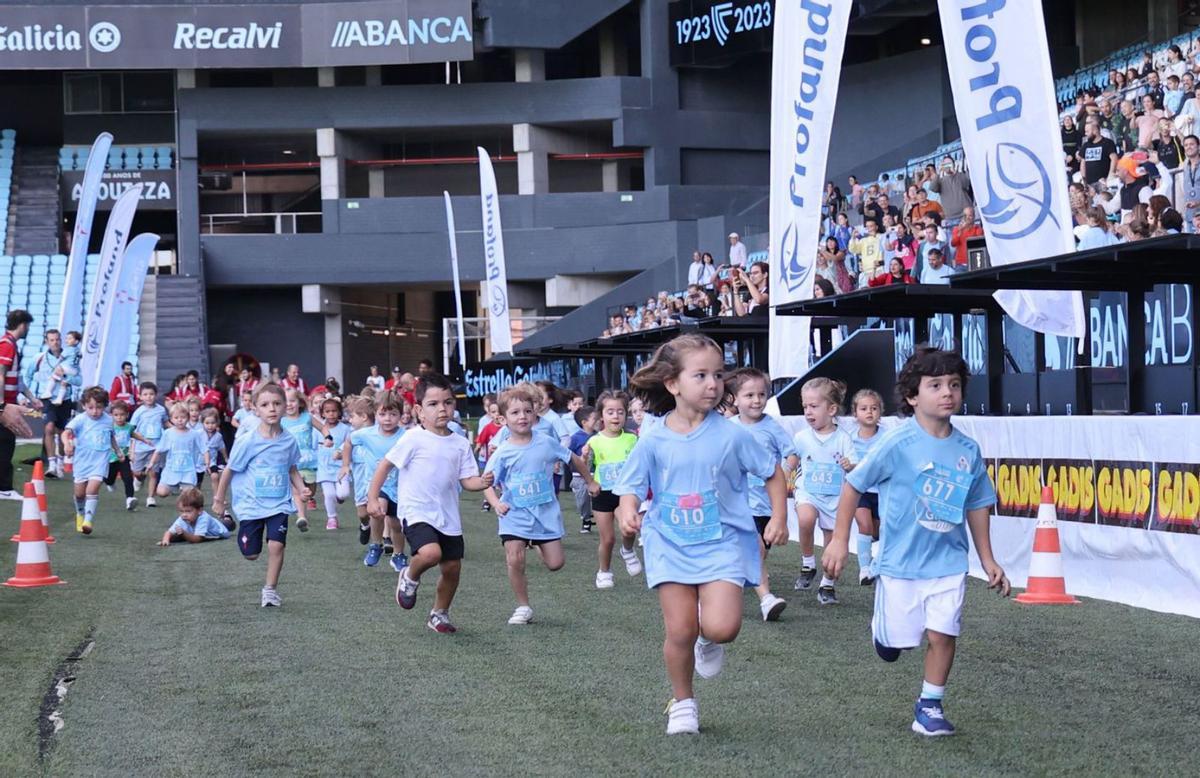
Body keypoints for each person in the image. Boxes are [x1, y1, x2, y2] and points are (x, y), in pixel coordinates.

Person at [823, 348, 1010, 737]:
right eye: (936, 385)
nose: (947, 393)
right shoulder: (896, 444)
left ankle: (930, 705)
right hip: (901, 565)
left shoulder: (968, 451)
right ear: (912, 397)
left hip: (948, 563)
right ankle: (884, 633)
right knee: (897, 644)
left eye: (954, 385)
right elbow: (854, 485)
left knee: (944, 634)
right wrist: (840, 541)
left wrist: (988, 559)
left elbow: (977, 504)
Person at [612, 334, 789, 735]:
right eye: (701, 375)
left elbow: (772, 472)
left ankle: (707, 641)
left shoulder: (733, 435)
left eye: (719, 374)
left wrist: (780, 516)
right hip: (669, 543)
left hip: (723, 542)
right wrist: (626, 510)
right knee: (679, 630)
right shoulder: (653, 435)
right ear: (673, 384)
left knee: (723, 627)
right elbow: (632, 484)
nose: (713, 384)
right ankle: (684, 703)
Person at [371, 374, 494, 634]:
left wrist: (482, 482)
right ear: (418, 410)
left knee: (452, 568)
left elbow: (467, 480)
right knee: (430, 554)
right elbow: (385, 465)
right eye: (433, 404)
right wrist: (373, 498)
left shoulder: (460, 443)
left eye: (448, 403)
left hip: (448, 515)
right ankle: (409, 575)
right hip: (416, 511)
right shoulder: (413, 438)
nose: (442, 409)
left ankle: (439, 614)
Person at [484, 384, 598, 625]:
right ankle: (523, 606)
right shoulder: (503, 452)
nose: (522, 417)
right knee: (515, 558)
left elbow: (573, 459)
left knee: (556, 564)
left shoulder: (546, 442)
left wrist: (590, 481)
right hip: (514, 513)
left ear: (535, 412)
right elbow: (487, 482)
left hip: (545, 513)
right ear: (503, 419)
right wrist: (496, 503)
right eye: (515, 413)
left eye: (527, 411)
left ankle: (534, 541)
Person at [213, 384, 309, 608]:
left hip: (278, 503)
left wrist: (301, 487)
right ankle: (248, 543)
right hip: (251, 505)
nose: (272, 409)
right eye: (265, 405)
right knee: (252, 554)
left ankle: (270, 590)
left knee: (277, 545)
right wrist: (219, 499)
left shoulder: (288, 440)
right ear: (256, 410)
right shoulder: (248, 441)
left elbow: (291, 468)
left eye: (277, 404)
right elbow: (229, 470)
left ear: (285, 407)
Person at [727, 368, 797, 622]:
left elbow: (791, 453)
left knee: (758, 552)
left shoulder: (772, 426)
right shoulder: (728, 428)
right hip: (738, 501)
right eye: (749, 395)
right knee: (754, 547)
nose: (756, 400)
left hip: (766, 504)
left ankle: (739, 581)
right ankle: (766, 599)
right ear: (735, 399)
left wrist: (781, 473)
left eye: (761, 394)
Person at [791, 377, 856, 605]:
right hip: (808, 492)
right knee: (806, 519)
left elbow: (854, 462)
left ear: (831, 409)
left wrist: (851, 464)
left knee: (832, 544)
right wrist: (787, 468)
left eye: (814, 406)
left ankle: (827, 585)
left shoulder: (843, 438)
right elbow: (790, 459)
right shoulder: (801, 437)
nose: (808, 412)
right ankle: (808, 563)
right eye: (805, 407)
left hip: (834, 498)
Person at [585, 390, 643, 588]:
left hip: (624, 493)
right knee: (607, 539)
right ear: (601, 415)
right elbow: (583, 466)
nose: (615, 416)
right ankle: (604, 571)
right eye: (610, 412)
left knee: (628, 528)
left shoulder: (632, 439)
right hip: (603, 494)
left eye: (620, 412)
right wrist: (589, 481)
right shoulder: (594, 441)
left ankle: (627, 550)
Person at [61, 386, 120, 534]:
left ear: (105, 406)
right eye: (90, 407)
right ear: (84, 406)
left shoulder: (108, 420)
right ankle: (80, 514)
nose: (95, 411)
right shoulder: (80, 419)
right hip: (82, 462)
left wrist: (118, 451)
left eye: (99, 408)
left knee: (92, 489)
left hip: (100, 461)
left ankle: (88, 521)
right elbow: (66, 433)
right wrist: (67, 444)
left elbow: (111, 436)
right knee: (80, 494)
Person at [0, 310, 40, 499]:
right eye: (28, 325)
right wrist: (2, 405)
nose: (28, 330)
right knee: (6, 444)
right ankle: (4, 488)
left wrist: (32, 398)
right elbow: (0, 375)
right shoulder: (7, 345)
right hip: (5, 405)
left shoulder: (10, 345)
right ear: (22, 325)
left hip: (8, 403)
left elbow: (17, 380)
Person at [27, 329, 78, 478]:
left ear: (61, 341)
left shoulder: (69, 357)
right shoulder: (39, 358)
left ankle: (61, 462)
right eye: (52, 340)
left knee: (63, 432)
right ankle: (52, 464)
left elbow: (78, 378)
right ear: (46, 342)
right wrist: (27, 396)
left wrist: (68, 380)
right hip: (46, 398)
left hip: (65, 399)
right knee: (48, 428)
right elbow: (28, 375)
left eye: (57, 340)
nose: (55, 342)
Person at [849, 389, 884, 584]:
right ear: (855, 413)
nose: (869, 412)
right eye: (863, 408)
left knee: (878, 532)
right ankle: (864, 569)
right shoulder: (849, 438)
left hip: (882, 491)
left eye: (874, 408)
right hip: (859, 490)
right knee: (865, 525)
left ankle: (877, 563)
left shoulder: (887, 436)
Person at [149, 403, 209, 497]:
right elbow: (159, 449)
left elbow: (204, 449)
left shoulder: (194, 434)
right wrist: (151, 463)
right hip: (171, 469)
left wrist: (207, 463)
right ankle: (174, 487)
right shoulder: (168, 433)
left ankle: (186, 492)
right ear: (171, 419)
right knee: (161, 492)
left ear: (188, 417)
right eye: (176, 418)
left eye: (183, 417)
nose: (180, 420)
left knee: (188, 496)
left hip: (188, 470)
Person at [281, 387, 319, 530]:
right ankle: (301, 517)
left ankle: (308, 501)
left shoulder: (307, 418)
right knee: (297, 491)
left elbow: (323, 428)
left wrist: (328, 437)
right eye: (286, 401)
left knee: (309, 491)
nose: (289, 404)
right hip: (291, 462)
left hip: (308, 460)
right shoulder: (281, 421)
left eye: (292, 401)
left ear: (300, 403)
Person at [315, 396, 351, 531]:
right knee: (329, 494)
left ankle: (339, 497)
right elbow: (314, 446)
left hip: (341, 468)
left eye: (334, 411)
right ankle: (332, 518)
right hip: (324, 468)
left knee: (343, 494)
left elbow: (349, 443)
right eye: (327, 411)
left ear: (339, 412)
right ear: (322, 413)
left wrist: (341, 451)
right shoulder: (319, 428)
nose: (331, 414)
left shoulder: (345, 429)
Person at [105, 400, 148, 511]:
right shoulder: (109, 427)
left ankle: (130, 498)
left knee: (127, 478)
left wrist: (143, 439)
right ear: (111, 416)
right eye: (116, 415)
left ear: (127, 415)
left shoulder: (129, 427)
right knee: (109, 478)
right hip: (111, 457)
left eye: (122, 415)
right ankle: (110, 482)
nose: (119, 418)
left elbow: (133, 434)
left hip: (124, 457)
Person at [130, 382, 167, 507]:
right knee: (137, 472)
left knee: (153, 473)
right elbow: (131, 429)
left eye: (151, 394)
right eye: (145, 394)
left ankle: (151, 497)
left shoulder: (161, 410)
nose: (148, 397)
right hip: (141, 447)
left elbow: (166, 423)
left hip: (155, 447)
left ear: (156, 395)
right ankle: (139, 479)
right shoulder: (138, 412)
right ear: (140, 396)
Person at [157, 487, 231, 546]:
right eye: (181, 511)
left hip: (221, 530)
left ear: (200, 511)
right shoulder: (183, 518)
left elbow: (197, 539)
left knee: (228, 524)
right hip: (202, 527)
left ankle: (227, 517)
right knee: (176, 536)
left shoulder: (204, 518)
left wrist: (183, 534)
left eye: (188, 511)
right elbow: (169, 532)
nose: (184, 514)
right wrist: (165, 540)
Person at [567, 405, 596, 534]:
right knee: (582, 499)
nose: (599, 421)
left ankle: (594, 518)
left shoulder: (600, 436)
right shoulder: (575, 438)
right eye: (595, 418)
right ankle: (586, 518)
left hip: (596, 473)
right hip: (579, 475)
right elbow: (568, 455)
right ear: (584, 422)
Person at [1078, 118, 1119, 185]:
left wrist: (1110, 175)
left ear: (1095, 131)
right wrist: (1084, 179)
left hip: (1103, 181)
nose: (1085, 134)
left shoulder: (1108, 143)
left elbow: (1114, 159)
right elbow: (1083, 163)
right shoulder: (1086, 145)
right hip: (1089, 184)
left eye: (1087, 131)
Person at [197, 408, 227, 495]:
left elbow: (222, 447)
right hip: (198, 462)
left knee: (215, 476)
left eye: (213, 423)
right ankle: (196, 497)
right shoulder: (198, 434)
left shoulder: (218, 436)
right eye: (207, 423)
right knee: (197, 482)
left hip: (211, 462)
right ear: (202, 423)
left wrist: (226, 458)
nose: (210, 426)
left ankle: (217, 496)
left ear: (217, 423)